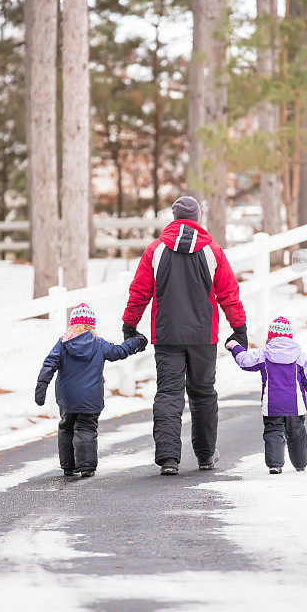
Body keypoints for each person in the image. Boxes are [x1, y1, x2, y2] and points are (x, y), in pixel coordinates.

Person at [122, 195, 247, 475]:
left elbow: (139, 291)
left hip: (167, 336)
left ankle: (168, 458)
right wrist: (239, 327)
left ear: (174, 216)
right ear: (197, 219)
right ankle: (205, 456)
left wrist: (130, 324)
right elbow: (228, 293)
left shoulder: (155, 250)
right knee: (203, 394)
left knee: (168, 394)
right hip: (204, 336)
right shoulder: (212, 251)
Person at [35, 302, 147, 478]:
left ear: (73, 324)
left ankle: (68, 466)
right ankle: (86, 467)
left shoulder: (63, 343)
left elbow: (49, 364)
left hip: (67, 398)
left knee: (67, 427)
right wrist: (135, 342)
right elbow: (118, 352)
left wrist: (41, 386)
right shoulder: (99, 344)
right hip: (90, 397)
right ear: (91, 325)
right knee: (86, 428)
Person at [226, 315, 307, 474]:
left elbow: (244, 361)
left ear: (270, 336)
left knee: (273, 432)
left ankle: (275, 465)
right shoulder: (299, 356)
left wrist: (235, 346)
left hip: (272, 405)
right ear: (290, 336)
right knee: (297, 434)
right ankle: (301, 464)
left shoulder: (265, 354)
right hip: (295, 406)